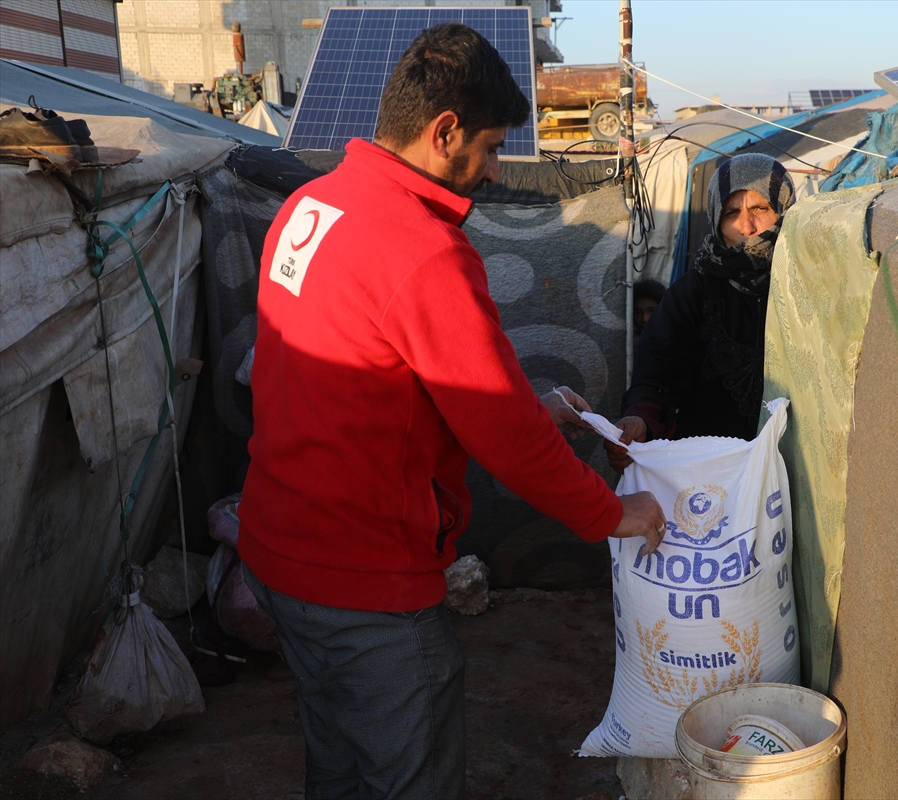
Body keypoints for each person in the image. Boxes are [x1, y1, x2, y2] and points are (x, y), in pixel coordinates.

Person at [236, 23, 665, 800]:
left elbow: (357, 376)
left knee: (337, 758)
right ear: (444, 132)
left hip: (276, 545)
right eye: (493, 147)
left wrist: (528, 407)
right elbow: (506, 439)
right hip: (364, 578)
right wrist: (612, 513)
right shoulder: (423, 248)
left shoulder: (311, 205)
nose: (496, 169)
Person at [606, 154, 795, 471]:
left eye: (760, 209)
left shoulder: (808, 284)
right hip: (712, 473)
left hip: (793, 471)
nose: (746, 226)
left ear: (784, 209)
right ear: (716, 220)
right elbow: (659, 369)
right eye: (731, 213)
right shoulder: (694, 291)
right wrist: (641, 416)